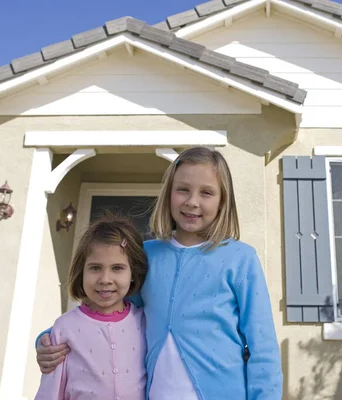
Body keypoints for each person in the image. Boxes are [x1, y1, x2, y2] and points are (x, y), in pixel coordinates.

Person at [36, 147, 282, 399]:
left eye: (206, 192)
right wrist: (50, 339)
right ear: (168, 194)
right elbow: (110, 312)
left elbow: (263, 348)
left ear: (222, 201)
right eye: (183, 189)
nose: (192, 201)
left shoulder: (241, 259)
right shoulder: (147, 254)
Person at [34, 216, 148, 400]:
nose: (105, 279)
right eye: (95, 268)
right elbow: (50, 391)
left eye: (117, 268)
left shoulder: (143, 321)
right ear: (82, 271)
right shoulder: (65, 328)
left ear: (133, 273)